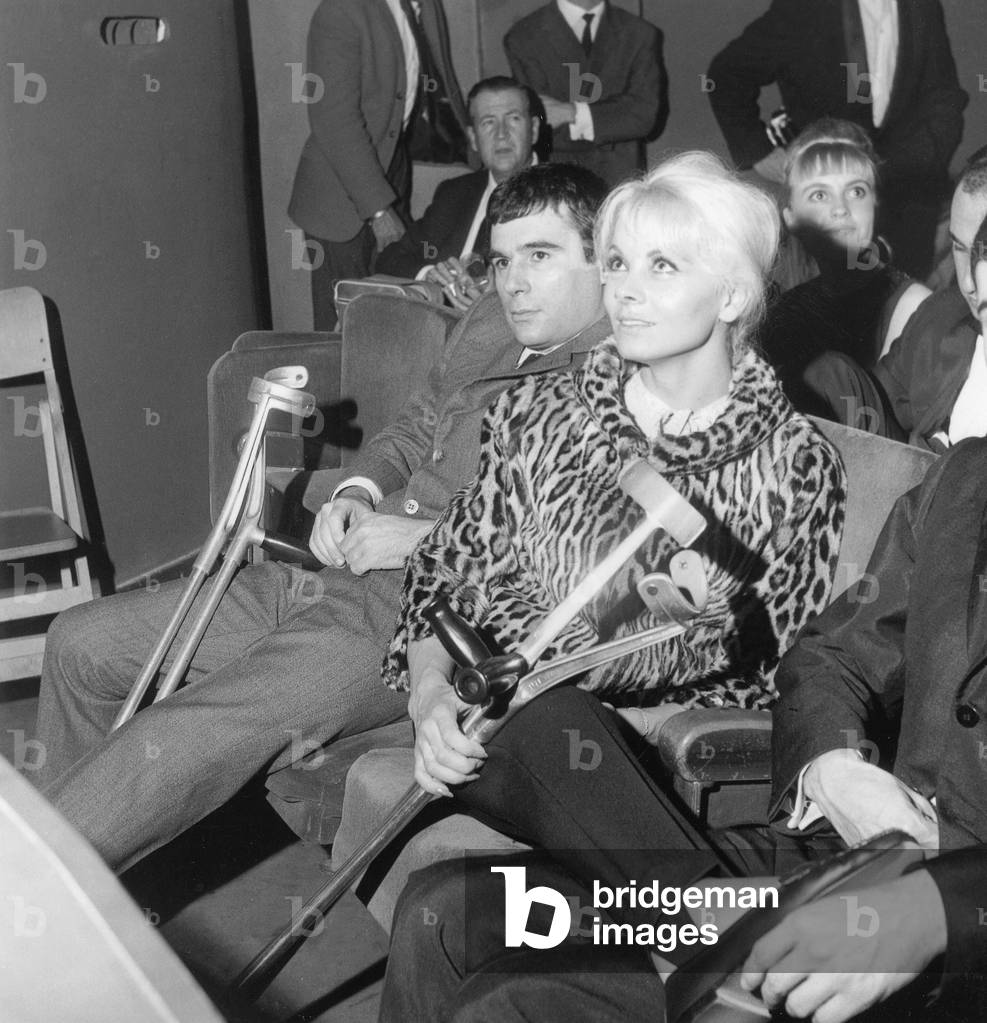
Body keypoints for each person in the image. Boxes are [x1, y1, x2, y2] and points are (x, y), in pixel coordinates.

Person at [376, 217, 987, 1023]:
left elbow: (750, 646)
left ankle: (702, 925)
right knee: (448, 909)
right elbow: (831, 658)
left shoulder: (786, 460)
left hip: (945, 939)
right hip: (845, 858)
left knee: (516, 1003)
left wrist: (932, 909)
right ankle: (702, 913)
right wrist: (835, 771)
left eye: (660, 265)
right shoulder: (964, 479)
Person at [34, 164, 611, 875]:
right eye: (502, 259)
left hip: (428, 614)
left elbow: (577, 557)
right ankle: (90, 894)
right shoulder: (496, 316)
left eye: (541, 256)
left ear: (604, 258)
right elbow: (421, 419)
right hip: (342, 572)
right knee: (82, 642)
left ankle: (30, 903)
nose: (514, 280)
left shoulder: (619, 379)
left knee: (190, 726)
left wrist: (423, 538)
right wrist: (360, 490)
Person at [707, 0, 967, 279]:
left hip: (906, 201)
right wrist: (759, 153)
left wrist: (918, 163)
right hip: (827, 206)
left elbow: (944, 95)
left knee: (900, 304)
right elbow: (726, 74)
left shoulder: (921, 6)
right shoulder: (804, 8)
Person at [288, 0, 469, 329]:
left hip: (393, 169)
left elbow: (442, 80)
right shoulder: (341, 11)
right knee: (344, 326)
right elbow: (333, 121)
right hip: (341, 192)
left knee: (392, 311)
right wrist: (379, 210)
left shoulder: (424, 5)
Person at [801, 144, 987, 447]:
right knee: (832, 374)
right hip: (906, 483)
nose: (968, 281)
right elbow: (870, 400)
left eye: (984, 253)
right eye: (958, 247)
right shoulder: (940, 316)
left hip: (954, 489)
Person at [759, 119, 930, 418]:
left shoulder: (914, 306)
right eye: (820, 195)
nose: (841, 208)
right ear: (791, 218)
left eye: (856, 192)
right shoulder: (785, 309)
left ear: (876, 206)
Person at [376, 76, 541, 310]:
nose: (501, 134)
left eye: (513, 119)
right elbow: (391, 257)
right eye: (488, 122)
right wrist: (432, 275)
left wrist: (494, 303)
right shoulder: (455, 193)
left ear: (533, 130)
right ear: (473, 138)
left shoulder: (561, 198)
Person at [504, 0, 665, 187]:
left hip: (621, 184)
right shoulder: (524, 36)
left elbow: (643, 116)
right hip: (555, 182)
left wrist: (572, 112)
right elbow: (538, 126)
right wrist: (613, 124)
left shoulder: (639, 33)